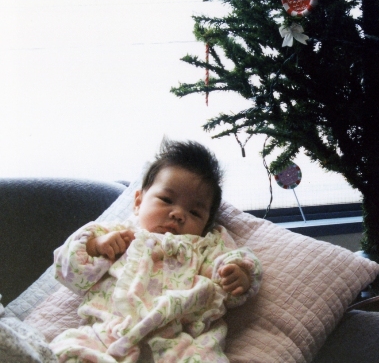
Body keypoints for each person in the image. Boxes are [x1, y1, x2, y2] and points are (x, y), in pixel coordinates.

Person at [49, 140, 262, 363]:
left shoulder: (204, 245)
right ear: (138, 202)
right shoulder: (117, 234)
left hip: (178, 339)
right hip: (107, 332)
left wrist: (240, 274)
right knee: (68, 350)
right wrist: (95, 246)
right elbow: (70, 273)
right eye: (166, 200)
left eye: (195, 213)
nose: (178, 214)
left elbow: (228, 267)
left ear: (206, 224)